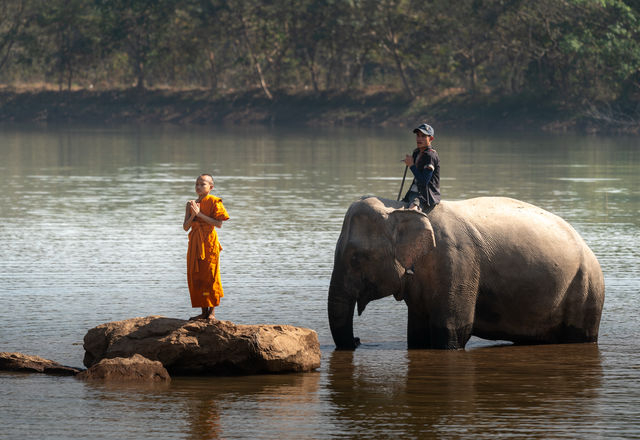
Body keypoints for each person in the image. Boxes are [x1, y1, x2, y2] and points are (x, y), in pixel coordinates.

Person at [183, 174, 230, 321]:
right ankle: (203, 312)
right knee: (196, 275)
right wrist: (193, 215)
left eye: (202, 184)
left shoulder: (215, 201)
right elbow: (185, 227)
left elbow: (218, 224)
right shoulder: (190, 204)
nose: (198, 187)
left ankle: (212, 313)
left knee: (210, 275)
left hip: (209, 243)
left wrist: (200, 215)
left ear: (211, 187)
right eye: (196, 184)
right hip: (195, 244)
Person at [402, 123, 441, 212]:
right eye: (418, 136)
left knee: (411, 212)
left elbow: (424, 181)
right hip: (413, 192)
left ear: (431, 139)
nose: (419, 139)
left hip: (426, 194)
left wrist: (411, 165)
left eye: (423, 136)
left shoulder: (430, 155)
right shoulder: (416, 152)